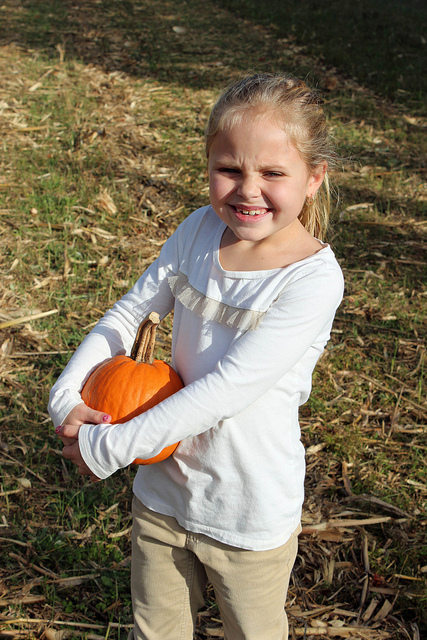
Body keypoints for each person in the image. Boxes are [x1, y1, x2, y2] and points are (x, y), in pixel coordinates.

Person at [49, 72, 344, 640]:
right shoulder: (198, 230)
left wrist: (109, 446)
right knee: (154, 630)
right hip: (162, 491)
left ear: (314, 178)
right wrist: (65, 399)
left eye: (273, 173)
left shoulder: (312, 280)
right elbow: (129, 314)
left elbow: (226, 390)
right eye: (229, 169)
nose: (247, 190)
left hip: (246, 507)